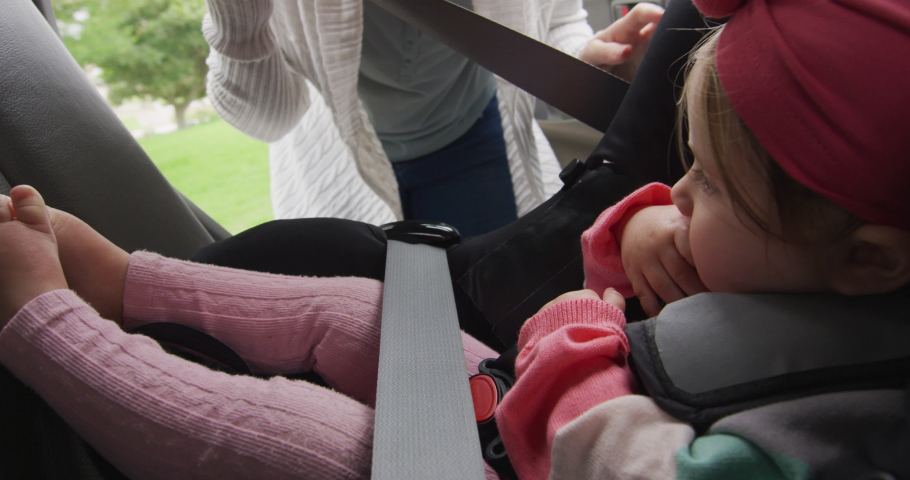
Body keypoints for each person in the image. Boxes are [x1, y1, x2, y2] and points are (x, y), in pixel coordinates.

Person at [3, 1, 909, 479]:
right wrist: (635, 234)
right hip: (497, 350)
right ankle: (133, 284)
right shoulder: (799, 272)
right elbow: (265, 111)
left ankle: (45, 326)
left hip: (527, 427)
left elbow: (615, 439)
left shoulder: (827, 425)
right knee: (368, 312)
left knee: (318, 445)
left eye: (707, 181)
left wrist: (569, 330)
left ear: (870, 259)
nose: (675, 190)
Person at [203, 0, 663, 236]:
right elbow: (269, 119)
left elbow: (557, 16)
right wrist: (237, 21)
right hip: (338, 173)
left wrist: (582, 60)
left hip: (482, 149)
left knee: (493, 324)